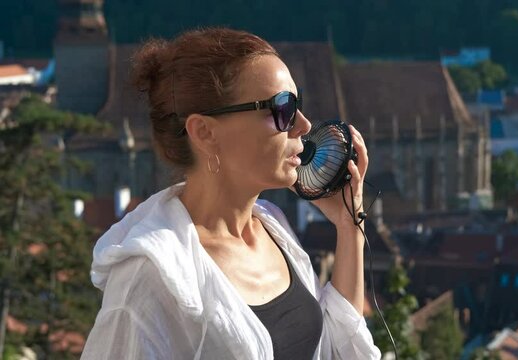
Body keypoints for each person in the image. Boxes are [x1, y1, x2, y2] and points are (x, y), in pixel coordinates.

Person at [80, 27, 381, 360]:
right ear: (205, 132)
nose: (304, 125)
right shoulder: (154, 277)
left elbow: (338, 348)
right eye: (283, 109)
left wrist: (348, 223)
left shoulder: (272, 228)